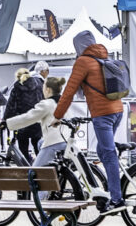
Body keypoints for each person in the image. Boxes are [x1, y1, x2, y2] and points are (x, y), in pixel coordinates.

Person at [53, 31, 127, 214]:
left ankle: (116, 199)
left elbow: (69, 91)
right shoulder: (103, 57)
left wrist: (57, 115)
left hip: (103, 114)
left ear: (79, 46)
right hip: (117, 110)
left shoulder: (83, 61)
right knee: (102, 151)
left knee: (108, 154)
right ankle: (112, 186)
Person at [1, 76, 68, 167]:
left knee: (34, 172)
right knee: (39, 143)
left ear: (48, 89)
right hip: (65, 140)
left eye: (43, 87)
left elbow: (27, 117)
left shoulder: (46, 104)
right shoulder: (64, 102)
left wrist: (6, 122)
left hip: (52, 142)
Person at [4, 68, 44, 160]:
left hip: (22, 121)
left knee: (23, 146)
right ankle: (41, 165)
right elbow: (43, 101)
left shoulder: (16, 88)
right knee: (37, 144)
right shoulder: (39, 85)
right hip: (36, 119)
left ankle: (26, 164)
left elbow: (11, 106)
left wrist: (5, 120)